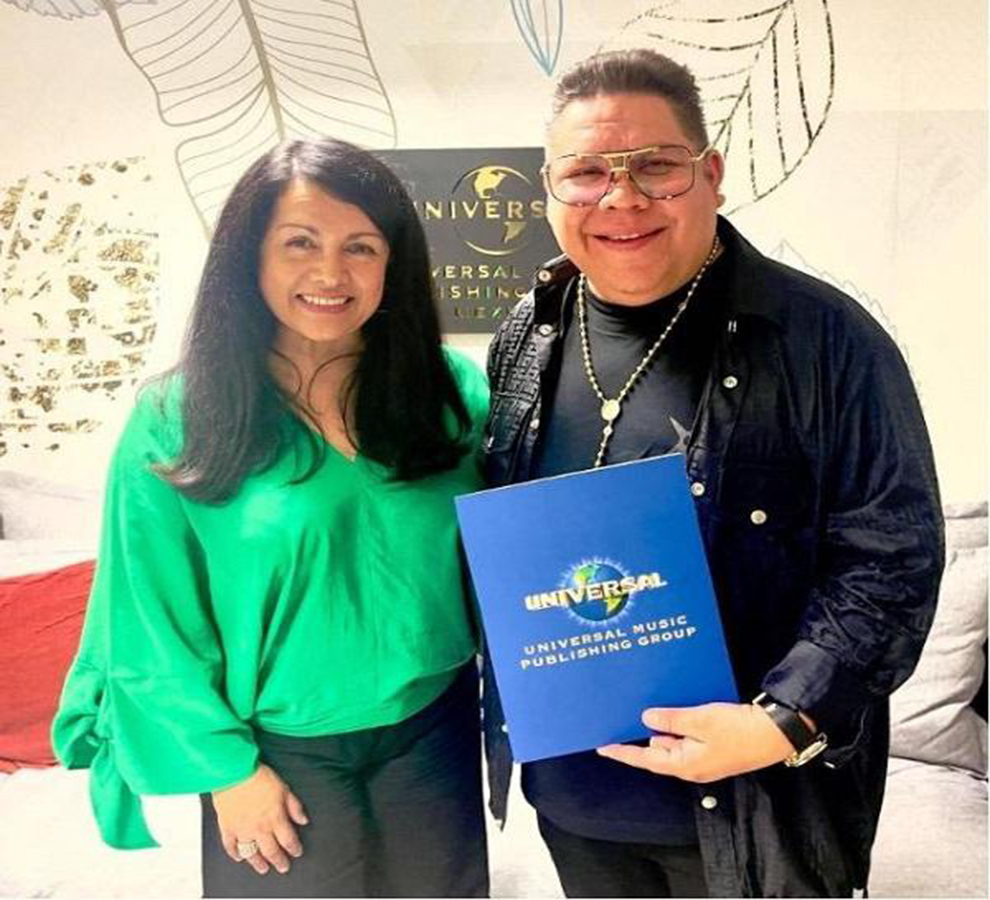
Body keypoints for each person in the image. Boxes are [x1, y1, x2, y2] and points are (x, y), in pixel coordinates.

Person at [481, 49, 943, 898]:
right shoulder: (528, 332)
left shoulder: (826, 340)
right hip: (576, 806)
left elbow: (893, 563)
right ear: (549, 190)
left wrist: (781, 720)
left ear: (711, 175)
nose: (621, 198)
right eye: (586, 173)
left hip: (759, 811)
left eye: (655, 166)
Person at [53, 138, 491, 898]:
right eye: (300, 243)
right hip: (276, 757)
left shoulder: (450, 393)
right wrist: (226, 771)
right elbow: (147, 618)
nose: (330, 273)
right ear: (248, 256)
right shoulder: (178, 419)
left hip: (434, 733)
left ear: (394, 264)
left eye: (361, 247)